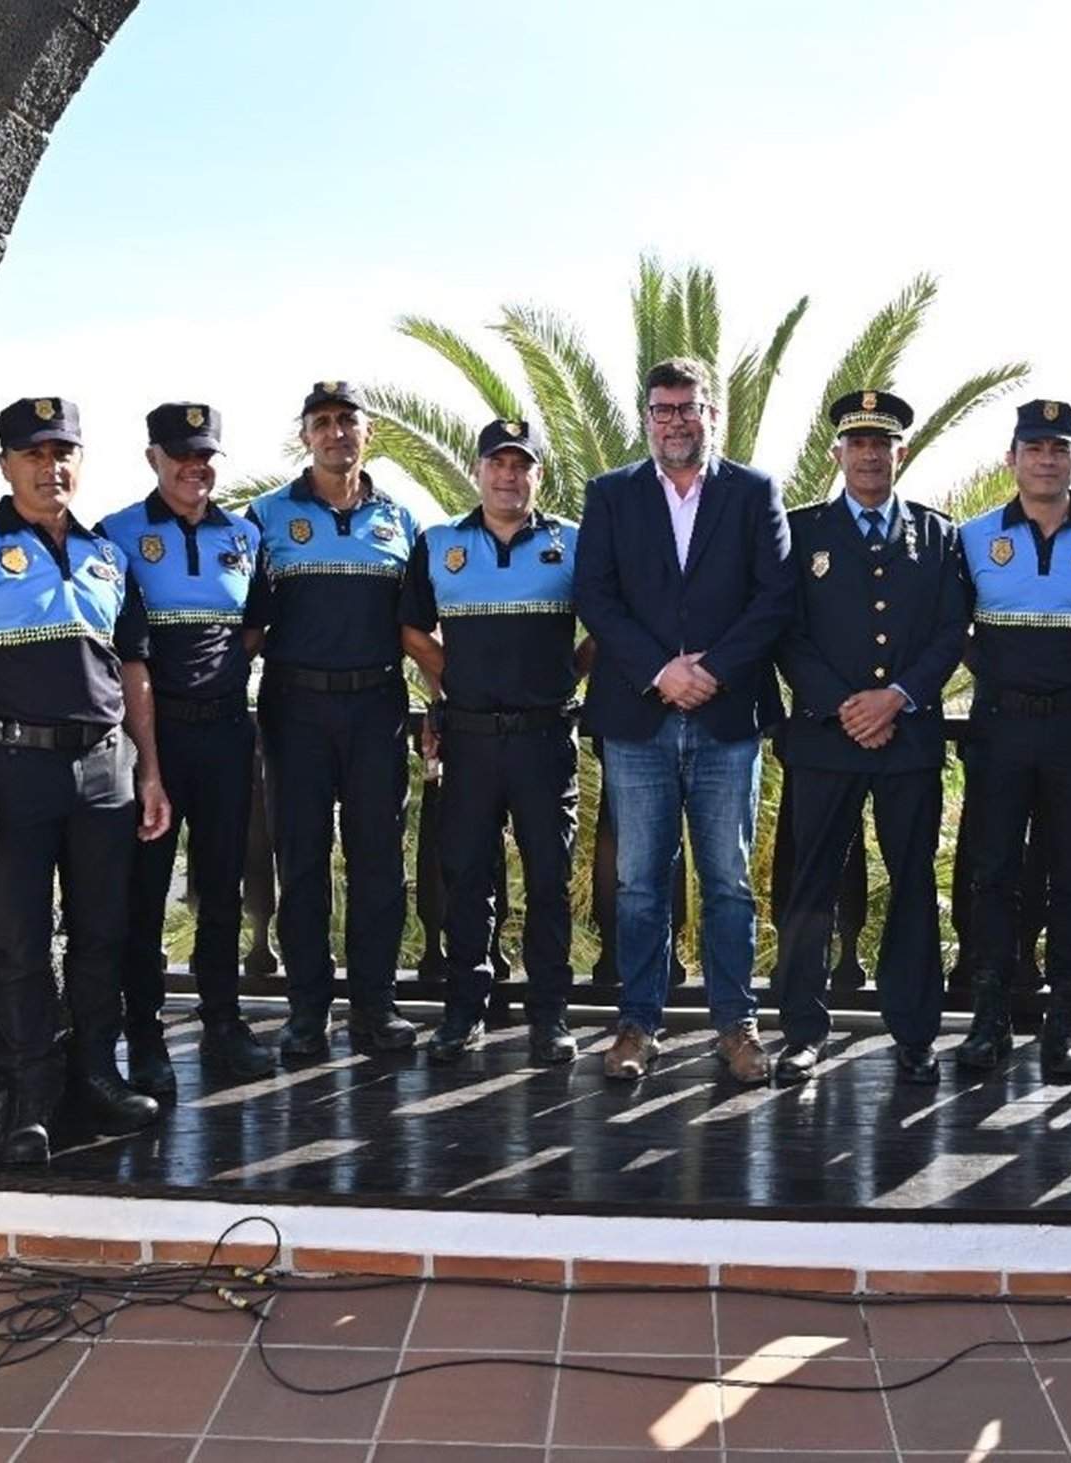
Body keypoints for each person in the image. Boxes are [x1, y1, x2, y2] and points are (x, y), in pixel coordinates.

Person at [0, 396, 172, 1166]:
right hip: (12, 772)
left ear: (79, 462)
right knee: (18, 939)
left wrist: (149, 770)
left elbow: (133, 674)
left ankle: (96, 1074)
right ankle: (30, 1098)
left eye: (63, 453)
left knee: (101, 932)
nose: (50, 468)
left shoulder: (107, 557)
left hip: (104, 771)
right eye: (33, 454)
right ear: (5, 465)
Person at [572, 357, 794, 1083]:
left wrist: (713, 669)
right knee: (640, 882)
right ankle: (638, 1024)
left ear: (711, 415)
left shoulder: (754, 492)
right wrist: (660, 670)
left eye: (688, 408)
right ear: (647, 418)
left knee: (728, 880)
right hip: (638, 718)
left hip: (728, 719)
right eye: (663, 409)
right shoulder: (611, 494)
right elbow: (595, 595)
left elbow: (775, 596)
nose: (675, 421)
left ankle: (736, 1026)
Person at [771, 391, 969, 1085]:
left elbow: (951, 630)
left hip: (907, 738)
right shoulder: (801, 531)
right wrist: (843, 705)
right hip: (825, 739)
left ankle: (914, 1033)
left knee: (912, 885)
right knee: (809, 887)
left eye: (881, 444)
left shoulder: (937, 535)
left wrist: (896, 697)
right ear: (838, 454)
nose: (869, 456)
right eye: (857, 444)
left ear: (900, 453)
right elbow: (786, 632)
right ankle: (802, 1032)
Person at [94, 402, 276, 1095]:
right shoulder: (116, 534)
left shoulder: (245, 535)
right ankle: (144, 1034)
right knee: (145, 894)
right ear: (153, 458)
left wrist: (216, 684)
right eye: (180, 455)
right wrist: (150, 751)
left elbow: (254, 628)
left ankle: (223, 1021)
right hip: (153, 739)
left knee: (223, 887)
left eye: (205, 456)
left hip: (226, 734)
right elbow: (116, 645)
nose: (194, 467)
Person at [245, 382, 423, 1060]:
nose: (335, 432)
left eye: (347, 420)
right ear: (305, 436)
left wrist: (447, 697)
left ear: (367, 433)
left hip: (378, 708)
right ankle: (307, 1009)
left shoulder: (401, 522)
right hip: (295, 709)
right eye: (321, 422)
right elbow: (244, 620)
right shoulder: (265, 517)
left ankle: (376, 1006)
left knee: (379, 862)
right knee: (302, 862)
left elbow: (420, 627)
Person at [402, 419, 588, 1065]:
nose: (509, 475)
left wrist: (570, 674)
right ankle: (464, 1011)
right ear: (478, 471)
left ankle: (549, 1013)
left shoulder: (573, 543)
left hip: (545, 741)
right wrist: (449, 675)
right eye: (498, 464)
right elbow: (411, 627)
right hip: (471, 741)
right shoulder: (439, 544)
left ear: (539, 474)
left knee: (548, 879)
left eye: (521, 465)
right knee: (466, 879)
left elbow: (608, 622)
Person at [955, 399, 1071, 1082]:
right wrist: (1004, 679)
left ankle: (1065, 1022)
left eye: (1059, 449)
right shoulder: (972, 538)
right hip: (1000, 727)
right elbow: (952, 629)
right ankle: (990, 1017)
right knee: (991, 873)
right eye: (1034, 448)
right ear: (1012, 458)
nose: (1047, 460)